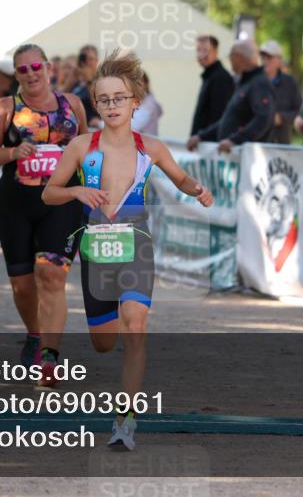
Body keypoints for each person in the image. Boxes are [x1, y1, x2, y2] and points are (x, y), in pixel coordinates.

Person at [43, 51, 213, 450]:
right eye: (104, 99)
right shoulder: (82, 147)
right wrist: (76, 191)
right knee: (104, 341)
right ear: (96, 103)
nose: (112, 106)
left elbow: (181, 178)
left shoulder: (149, 148)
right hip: (97, 250)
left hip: (137, 244)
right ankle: (110, 328)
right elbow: (50, 193)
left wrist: (198, 190)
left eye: (120, 98)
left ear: (136, 101)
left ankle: (125, 420)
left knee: (135, 327)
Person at [0, 44, 88, 375]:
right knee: (23, 285)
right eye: (22, 70)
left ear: (49, 67)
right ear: (16, 74)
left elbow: (86, 145)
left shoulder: (73, 105)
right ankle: (35, 333)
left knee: (51, 274)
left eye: (35, 66)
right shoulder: (5, 108)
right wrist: (13, 154)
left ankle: (50, 356)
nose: (30, 74)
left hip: (63, 202)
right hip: (16, 204)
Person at [186, 39, 273, 153]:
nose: (230, 60)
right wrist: (201, 136)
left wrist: (235, 140)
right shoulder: (244, 83)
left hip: (247, 158)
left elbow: (263, 119)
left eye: (231, 56)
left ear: (239, 57)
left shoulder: (259, 83)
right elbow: (228, 119)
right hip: (232, 157)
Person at [189, 34, 235, 140]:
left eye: (205, 50)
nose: (201, 54)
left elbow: (221, 117)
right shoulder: (210, 76)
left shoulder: (220, 78)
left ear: (216, 51)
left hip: (212, 145)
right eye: (198, 50)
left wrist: (202, 137)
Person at [259, 40, 302, 144]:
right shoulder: (255, 81)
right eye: (263, 57)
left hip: (281, 142)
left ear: (279, 60)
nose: (265, 61)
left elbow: (299, 110)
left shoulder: (289, 82)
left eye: (269, 57)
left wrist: (281, 118)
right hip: (257, 142)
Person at [72, 44, 101, 128]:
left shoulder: (102, 80)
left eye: (91, 59)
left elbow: (98, 106)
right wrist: (72, 78)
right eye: (83, 59)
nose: (87, 62)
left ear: (97, 61)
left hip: (93, 127)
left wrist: (89, 81)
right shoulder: (76, 81)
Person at [130, 72, 162, 136]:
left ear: (146, 84)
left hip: (147, 144)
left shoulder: (150, 104)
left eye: (138, 83)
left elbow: (134, 125)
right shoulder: (135, 101)